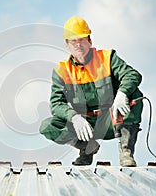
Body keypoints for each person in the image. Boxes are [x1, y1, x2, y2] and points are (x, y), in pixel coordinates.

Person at [39, 16, 143, 166]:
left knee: (135, 95)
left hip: (112, 120)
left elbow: (132, 75)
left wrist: (122, 93)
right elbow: (56, 104)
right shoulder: (62, 71)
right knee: (48, 126)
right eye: (73, 41)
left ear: (90, 41)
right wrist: (74, 118)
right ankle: (87, 148)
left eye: (81, 39)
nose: (78, 44)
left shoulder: (107, 58)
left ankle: (126, 150)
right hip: (86, 125)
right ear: (67, 45)